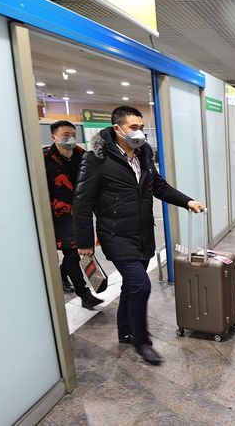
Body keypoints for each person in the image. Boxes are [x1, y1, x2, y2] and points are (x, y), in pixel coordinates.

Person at [74, 106, 205, 366]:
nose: (139, 133)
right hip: (116, 235)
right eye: (134, 128)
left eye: (141, 127)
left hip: (143, 234)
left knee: (130, 286)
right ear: (117, 129)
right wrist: (85, 244)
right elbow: (82, 203)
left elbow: (158, 186)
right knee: (140, 285)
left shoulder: (144, 154)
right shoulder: (96, 159)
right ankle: (141, 341)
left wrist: (187, 201)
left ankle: (125, 329)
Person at [43, 120, 103, 309]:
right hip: (58, 214)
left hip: (80, 212)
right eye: (65, 135)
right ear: (54, 137)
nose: (70, 138)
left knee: (73, 253)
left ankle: (63, 275)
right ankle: (84, 294)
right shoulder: (43, 158)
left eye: (73, 134)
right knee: (72, 252)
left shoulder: (82, 155)